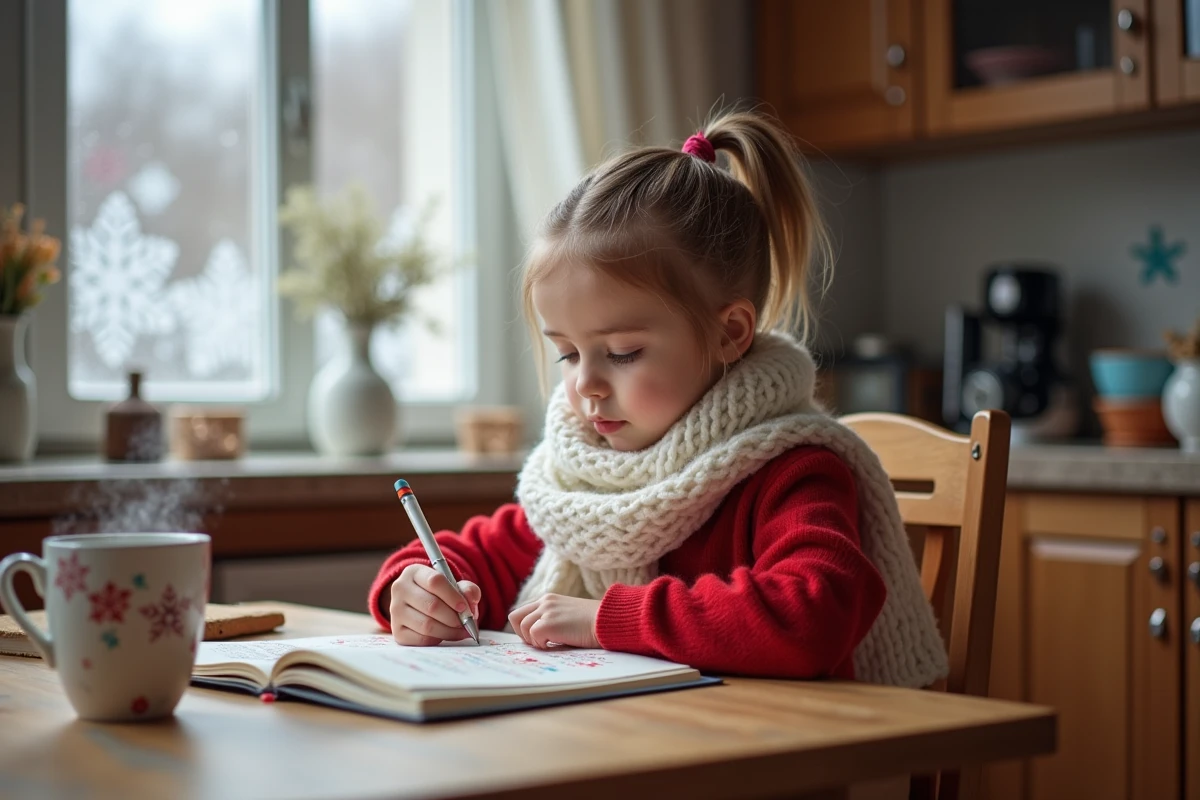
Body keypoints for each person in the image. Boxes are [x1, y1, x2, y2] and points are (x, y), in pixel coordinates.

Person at [368, 109, 947, 686]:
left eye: (621, 353)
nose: (585, 385)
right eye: (567, 353)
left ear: (730, 334)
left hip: (768, 761)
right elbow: (476, 556)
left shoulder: (794, 470)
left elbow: (814, 612)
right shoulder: (586, 482)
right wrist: (418, 587)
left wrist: (608, 621)